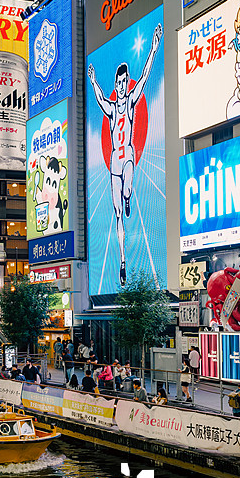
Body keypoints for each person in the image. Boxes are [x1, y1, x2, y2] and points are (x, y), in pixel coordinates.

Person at [88, 23, 163, 285]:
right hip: (113, 165)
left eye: (123, 82)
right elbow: (98, 98)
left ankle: (129, 195)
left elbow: (144, 76)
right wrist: (94, 80)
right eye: (118, 83)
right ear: (115, 84)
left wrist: (153, 49)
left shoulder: (130, 101)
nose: (121, 86)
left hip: (127, 154)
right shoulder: (110, 107)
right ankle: (122, 261)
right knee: (118, 213)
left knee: (128, 189)